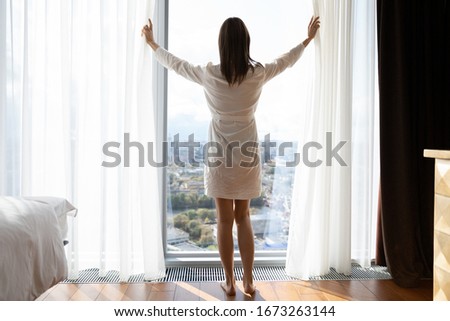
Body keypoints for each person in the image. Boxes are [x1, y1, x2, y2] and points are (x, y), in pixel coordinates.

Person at [142, 15, 320, 296]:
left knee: (224, 220)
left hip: (220, 156)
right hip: (247, 155)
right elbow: (285, 61)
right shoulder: (257, 73)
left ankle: (229, 282)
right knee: (244, 217)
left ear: (221, 44)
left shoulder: (209, 73)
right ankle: (249, 280)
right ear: (246, 43)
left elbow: (176, 64)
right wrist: (307, 40)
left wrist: (152, 44)